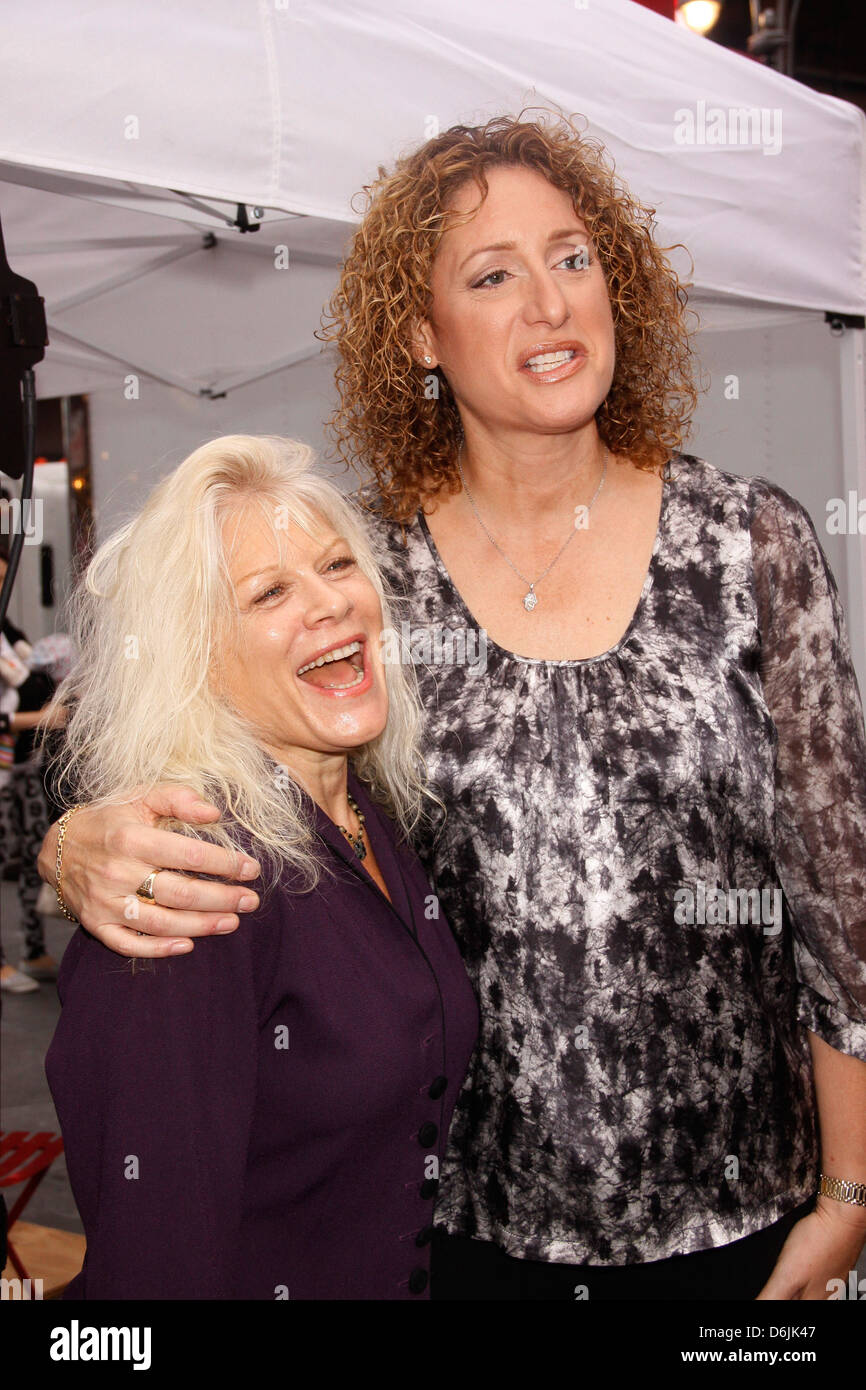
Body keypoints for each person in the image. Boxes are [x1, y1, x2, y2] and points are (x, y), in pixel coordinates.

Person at [39, 113, 866, 1300]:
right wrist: (76, 840)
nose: (549, 304)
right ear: (421, 336)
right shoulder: (364, 579)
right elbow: (185, 729)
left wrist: (846, 1194)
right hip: (458, 1239)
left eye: (572, 258)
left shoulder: (750, 544)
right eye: (493, 275)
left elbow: (839, 904)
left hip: (744, 1225)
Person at [43, 435, 478, 1299]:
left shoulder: (365, 817)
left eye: (338, 565)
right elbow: (150, 1275)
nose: (332, 605)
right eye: (270, 591)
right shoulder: (191, 882)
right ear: (192, 655)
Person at [0, 536, 62, 992]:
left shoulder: (8, 630)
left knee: (29, 856)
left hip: (23, 763)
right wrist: (42, 718)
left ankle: (34, 949)